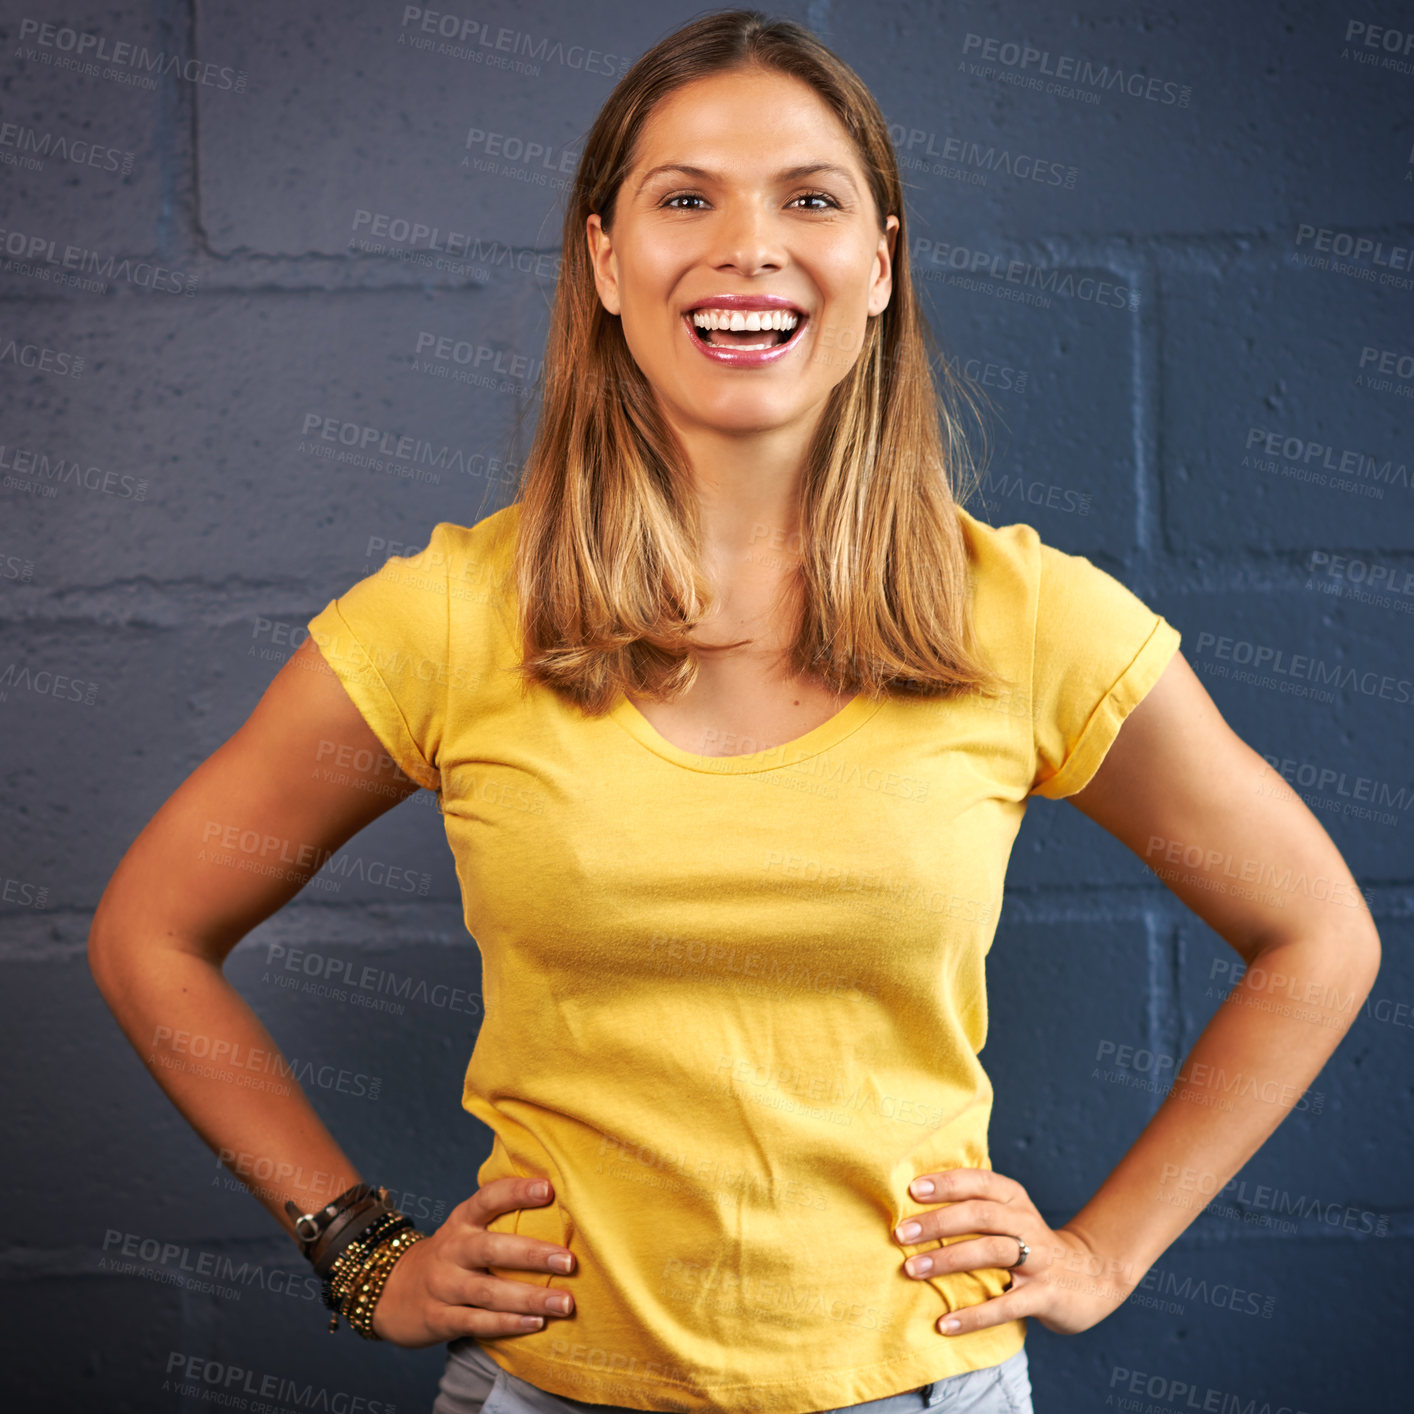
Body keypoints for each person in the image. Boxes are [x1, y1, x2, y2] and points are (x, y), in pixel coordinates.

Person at [88, 10, 1380, 1414]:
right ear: (603, 259)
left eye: (809, 199)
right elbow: (154, 930)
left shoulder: (1027, 616)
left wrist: (1102, 1254)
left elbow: (1315, 938)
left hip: (919, 1389)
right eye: (683, 197)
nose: (746, 244)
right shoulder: (448, 615)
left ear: (878, 263)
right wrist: (357, 1248)